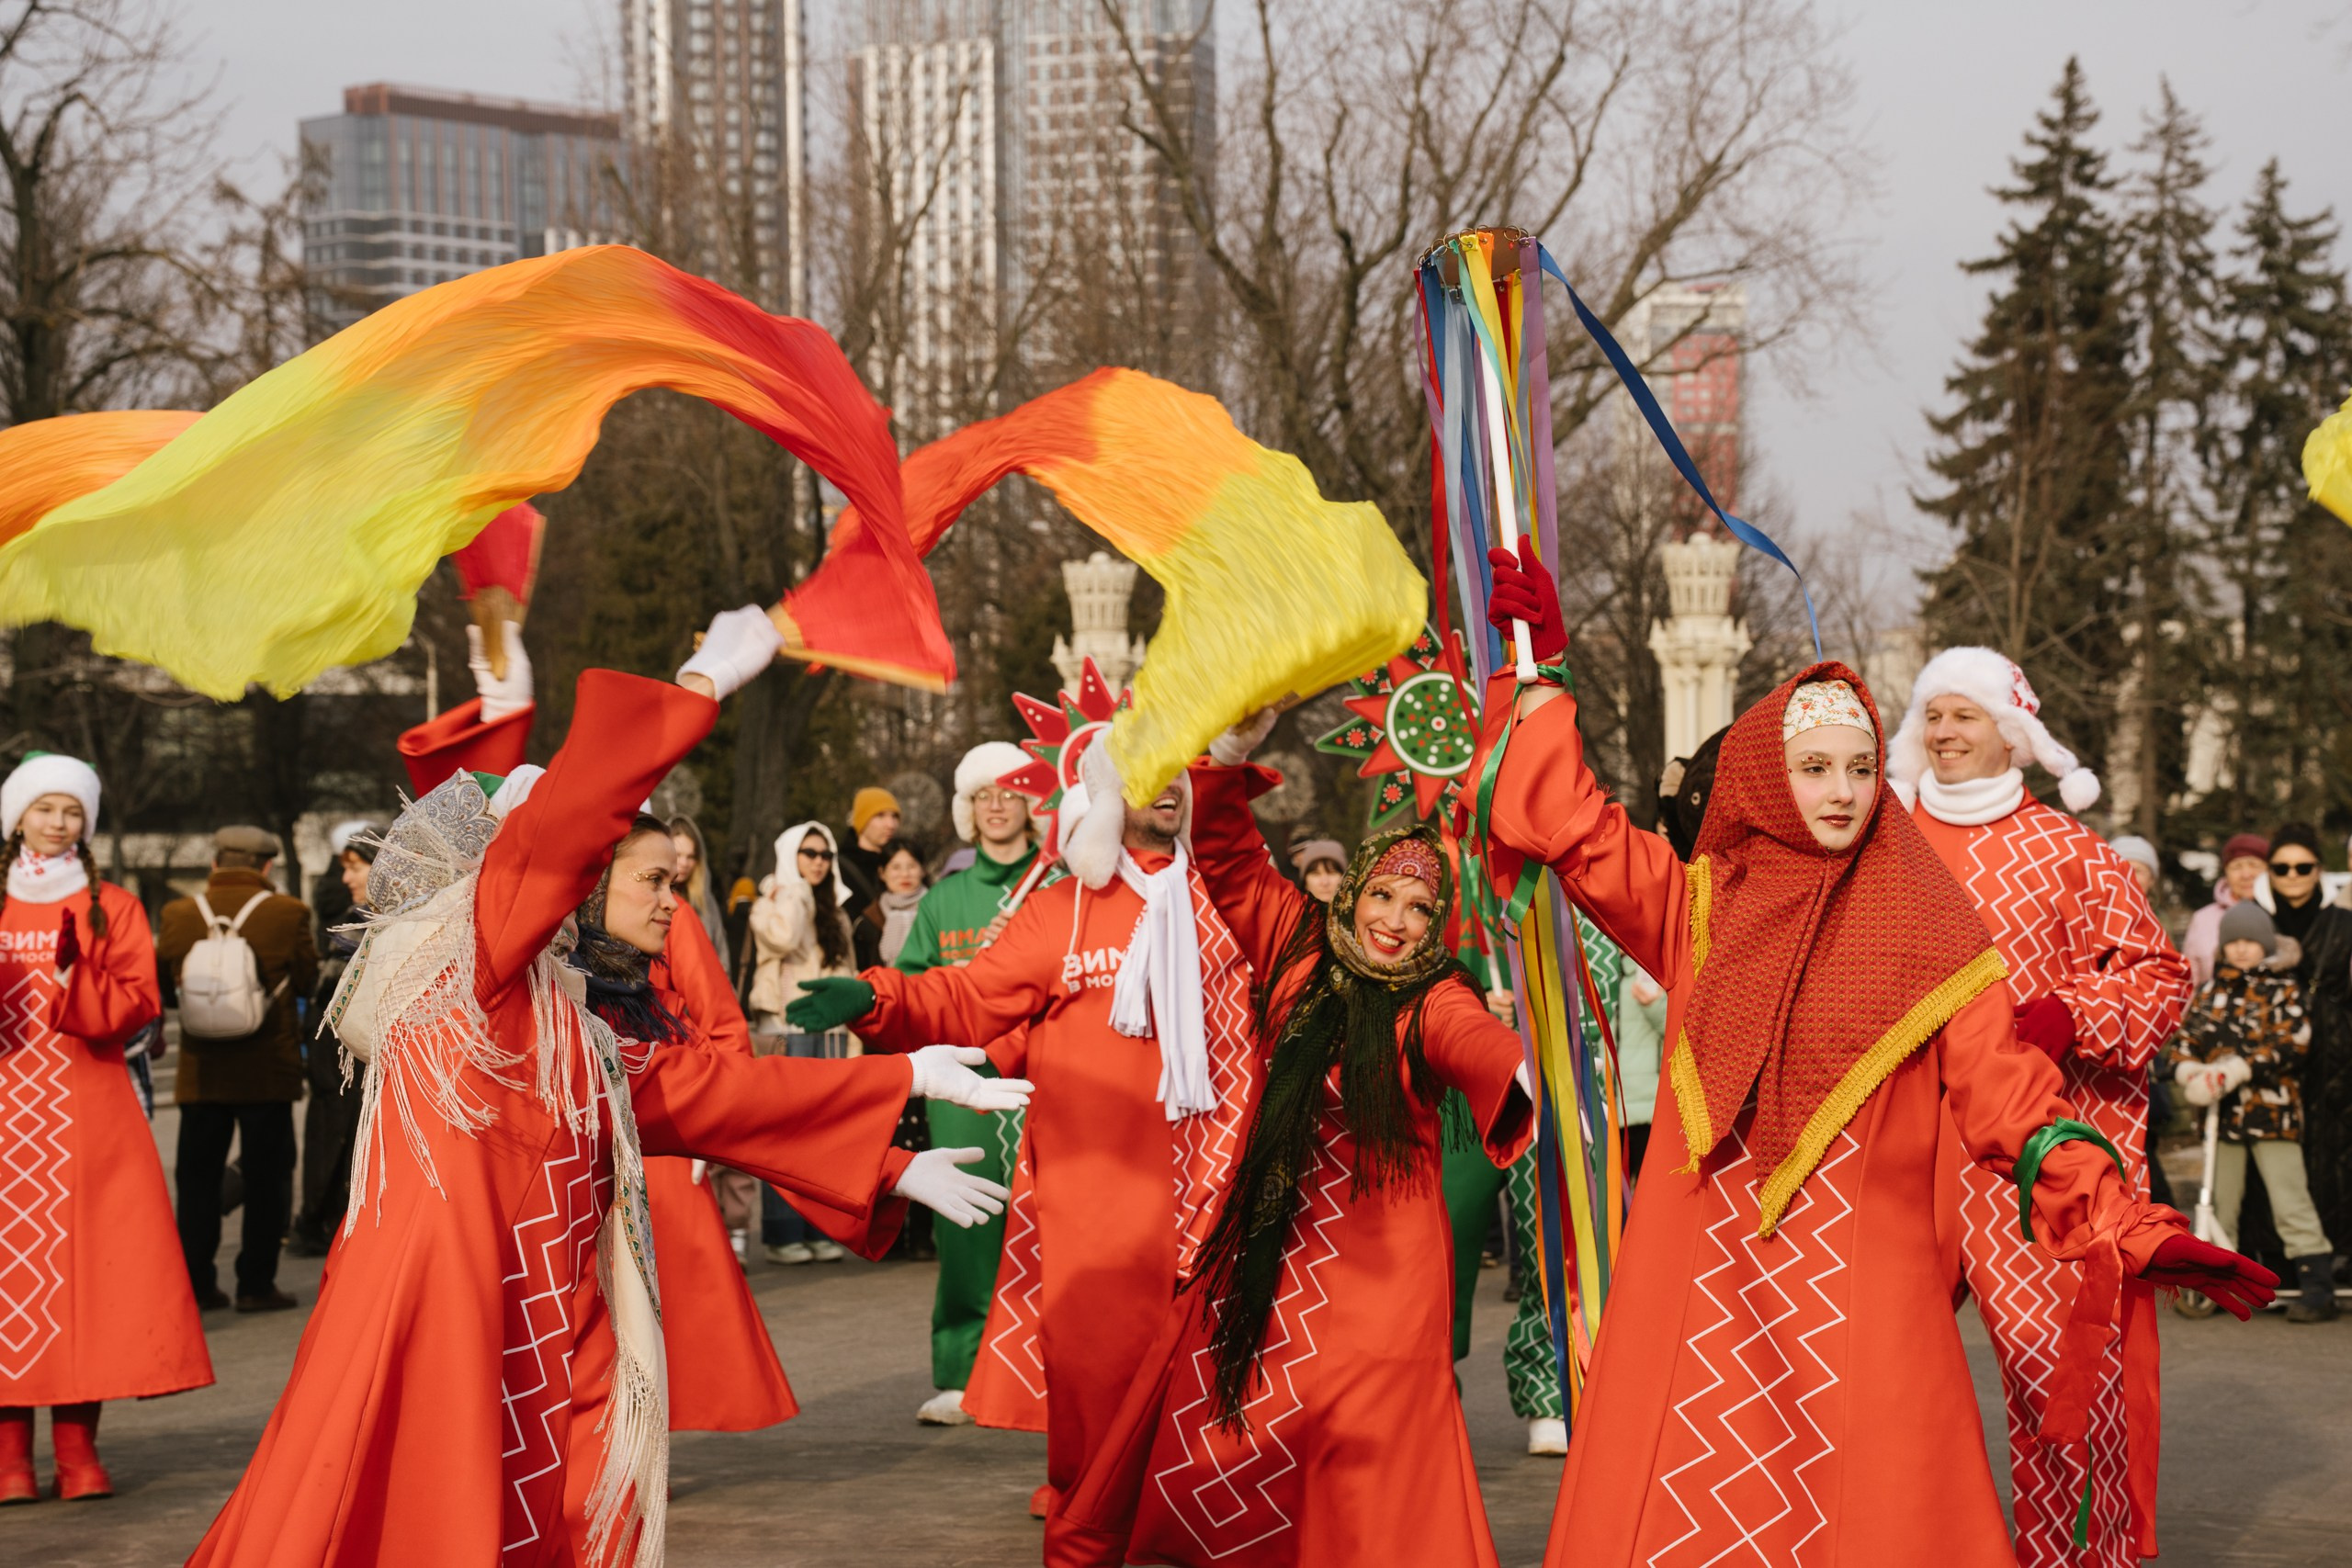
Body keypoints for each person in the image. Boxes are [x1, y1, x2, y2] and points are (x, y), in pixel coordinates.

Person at [1465, 545, 2269, 1568]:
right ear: (1766, 774)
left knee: (1876, 1516)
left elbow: (2009, 1101)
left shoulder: (1934, 938)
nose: (1841, 790)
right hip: (1710, 1283)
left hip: (1866, 1290)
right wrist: (1537, 680)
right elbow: (1569, 825)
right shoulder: (1697, 907)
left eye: (1856, 767)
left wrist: (2120, 1219)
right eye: (1813, 768)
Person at [186, 607, 1027, 1568]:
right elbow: (567, 824)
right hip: (457, 1318)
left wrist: (892, 1126)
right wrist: (697, 683)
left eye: (675, 880)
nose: (672, 900)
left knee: (566, 1509)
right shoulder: (480, 971)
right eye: (644, 878)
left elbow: (697, 1092)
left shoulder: (557, 1014)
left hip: (538, 1322)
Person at [1051, 728, 1533, 1568]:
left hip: (1388, 1260)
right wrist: (1231, 746)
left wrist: (1517, 1065)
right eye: (1385, 896)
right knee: (1238, 1412)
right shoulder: (1300, 945)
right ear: (1353, 894)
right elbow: (1231, 852)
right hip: (1276, 1237)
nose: (1397, 922)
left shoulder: (1431, 997)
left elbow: (1468, 1037)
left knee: (1376, 1433)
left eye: (1420, 910)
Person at [788, 735, 1261, 1528]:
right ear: (1110, 796)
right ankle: (1087, 1501)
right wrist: (874, 999)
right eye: (1145, 776)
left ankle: (1186, 1505)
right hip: (1094, 1190)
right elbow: (968, 999)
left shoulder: (1226, 895)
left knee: (1211, 1362)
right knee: (1094, 1362)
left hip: (1212, 1178)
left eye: (1176, 776)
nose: (1166, 790)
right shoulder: (1061, 910)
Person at [1885, 645, 2192, 1568]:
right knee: (1880, 1367)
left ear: (2010, 734)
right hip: (1898, 1143)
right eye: (1931, 716)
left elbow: (2161, 977)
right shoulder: (1878, 841)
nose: (1943, 733)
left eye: (1963, 716)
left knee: (2049, 1376)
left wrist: (2070, 1013)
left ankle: (2069, 1557)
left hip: (2023, 1154)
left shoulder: (2067, 850)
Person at [0, 754, 209, 1505]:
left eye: (71, 811)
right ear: (17, 816)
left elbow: (140, 1001)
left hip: (88, 1116)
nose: (58, 823)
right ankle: (9, 1455)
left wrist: (71, 984)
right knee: (7, 1284)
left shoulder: (112, 904)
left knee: (89, 1279)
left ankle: (77, 1448)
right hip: (5, 1117)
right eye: (44, 808)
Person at [888, 740, 1035, 1427]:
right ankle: (960, 1373)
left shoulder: (1059, 882)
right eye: (984, 795)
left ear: (1032, 803)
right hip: (964, 1083)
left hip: (1042, 1080)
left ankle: (1043, 1370)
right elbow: (917, 990)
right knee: (967, 1226)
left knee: (1049, 1228)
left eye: (1009, 791)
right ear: (968, 811)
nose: (997, 804)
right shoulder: (945, 898)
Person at [158, 826, 320, 1314]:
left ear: (214, 862)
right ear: (266, 866)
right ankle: (255, 1283)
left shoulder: (178, 914)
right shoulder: (288, 913)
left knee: (198, 1180)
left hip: (200, 1071)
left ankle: (198, 1284)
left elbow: (167, 993)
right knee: (268, 1178)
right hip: (265, 1070)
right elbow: (307, 981)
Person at [2169, 903, 2337, 1322]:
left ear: (2263, 944)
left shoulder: (2283, 989)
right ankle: (2217, 1280)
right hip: (2221, 1117)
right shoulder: (2211, 992)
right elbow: (2185, 1041)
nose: (2242, 950)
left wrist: (2238, 1069)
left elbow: (2293, 1042)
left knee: (2289, 1198)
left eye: (2250, 941)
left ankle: (2316, 1282)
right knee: (2218, 1199)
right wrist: (2190, 1070)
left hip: (2272, 1114)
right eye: (2234, 942)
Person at [747, 820, 860, 1265]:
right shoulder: (776, 900)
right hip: (784, 1022)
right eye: (808, 853)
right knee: (784, 1128)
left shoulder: (835, 905)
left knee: (825, 1130)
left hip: (829, 1026)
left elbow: (847, 970)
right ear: (790, 854)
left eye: (825, 855)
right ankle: (780, 1232)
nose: (818, 862)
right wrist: (789, 892)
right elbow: (783, 937)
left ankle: (818, 1227)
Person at [288, 824, 382, 1257]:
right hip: (334, 1060)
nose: (346, 879)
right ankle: (319, 1219)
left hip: (362, 1058)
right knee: (330, 1136)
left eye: (356, 867)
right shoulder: (347, 926)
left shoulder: (386, 928)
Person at [2183, 832, 2270, 989]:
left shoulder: (2282, 914)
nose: (2245, 875)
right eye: (2236, 867)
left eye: (2254, 865)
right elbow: (2189, 981)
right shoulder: (2202, 919)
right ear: (2226, 873)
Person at [854, 840, 930, 971]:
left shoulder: (936, 910)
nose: (905, 874)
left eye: (911, 866)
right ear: (882, 873)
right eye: (896, 867)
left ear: (922, 870)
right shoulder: (870, 919)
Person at [668, 815, 731, 962]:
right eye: (678, 854)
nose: (684, 863)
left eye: (691, 856)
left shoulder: (706, 902)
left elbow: (720, 953)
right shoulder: (654, 898)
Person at [838, 785, 902, 919]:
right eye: (880, 815)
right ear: (862, 820)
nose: (890, 824)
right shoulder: (839, 868)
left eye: (894, 816)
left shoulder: (904, 863)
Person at [1289, 835, 1347, 903]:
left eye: (1332, 873)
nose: (1325, 882)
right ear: (1305, 882)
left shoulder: (1359, 912)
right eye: (1316, 874)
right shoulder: (1293, 912)